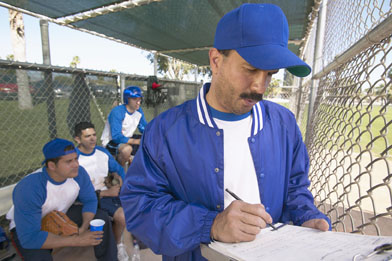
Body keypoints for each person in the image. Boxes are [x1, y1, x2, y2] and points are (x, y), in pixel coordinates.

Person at [120, 3, 331, 261]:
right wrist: (211, 225)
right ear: (216, 60)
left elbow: (296, 189)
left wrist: (306, 217)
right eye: (251, 69)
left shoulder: (283, 123)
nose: (260, 86)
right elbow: (140, 207)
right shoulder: (165, 131)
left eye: (270, 74)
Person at [6, 138, 117, 261]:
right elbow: (30, 238)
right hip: (29, 227)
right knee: (39, 257)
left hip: (60, 215)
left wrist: (83, 227)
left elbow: (90, 200)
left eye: (76, 159)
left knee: (101, 217)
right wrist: (77, 240)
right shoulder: (30, 187)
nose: (76, 164)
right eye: (69, 161)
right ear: (52, 165)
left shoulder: (78, 173)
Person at [74, 121, 129, 261]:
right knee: (121, 216)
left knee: (134, 206)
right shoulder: (73, 159)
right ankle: (118, 245)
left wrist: (121, 183)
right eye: (87, 136)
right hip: (86, 199)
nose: (93, 139)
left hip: (107, 193)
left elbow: (118, 170)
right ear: (77, 139)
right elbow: (73, 192)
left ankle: (120, 242)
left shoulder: (102, 152)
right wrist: (105, 193)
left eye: (94, 135)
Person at [101, 85, 147, 167]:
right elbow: (116, 137)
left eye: (139, 99)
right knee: (127, 149)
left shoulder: (139, 111)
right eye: (134, 99)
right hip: (111, 141)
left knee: (152, 142)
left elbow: (144, 128)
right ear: (127, 99)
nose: (138, 102)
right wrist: (137, 141)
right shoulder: (118, 111)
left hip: (127, 138)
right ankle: (118, 173)